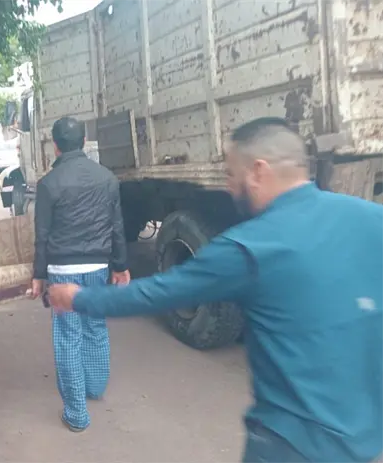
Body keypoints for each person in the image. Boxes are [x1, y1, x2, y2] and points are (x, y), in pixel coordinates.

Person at [48, 117, 383, 462]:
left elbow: (161, 292)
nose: (228, 183)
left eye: (230, 173)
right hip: (363, 440)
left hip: (290, 444)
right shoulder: (370, 217)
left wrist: (79, 298)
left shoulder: (250, 246)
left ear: (257, 171)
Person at [28, 116, 130, 432]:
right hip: (98, 268)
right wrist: (121, 265)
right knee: (96, 327)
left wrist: (38, 274)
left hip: (62, 272)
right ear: (84, 142)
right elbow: (117, 227)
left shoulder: (48, 184)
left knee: (68, 337)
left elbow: (42, 234)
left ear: (55, 145)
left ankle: (76, 414)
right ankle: (94, 387)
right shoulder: (107, 178)